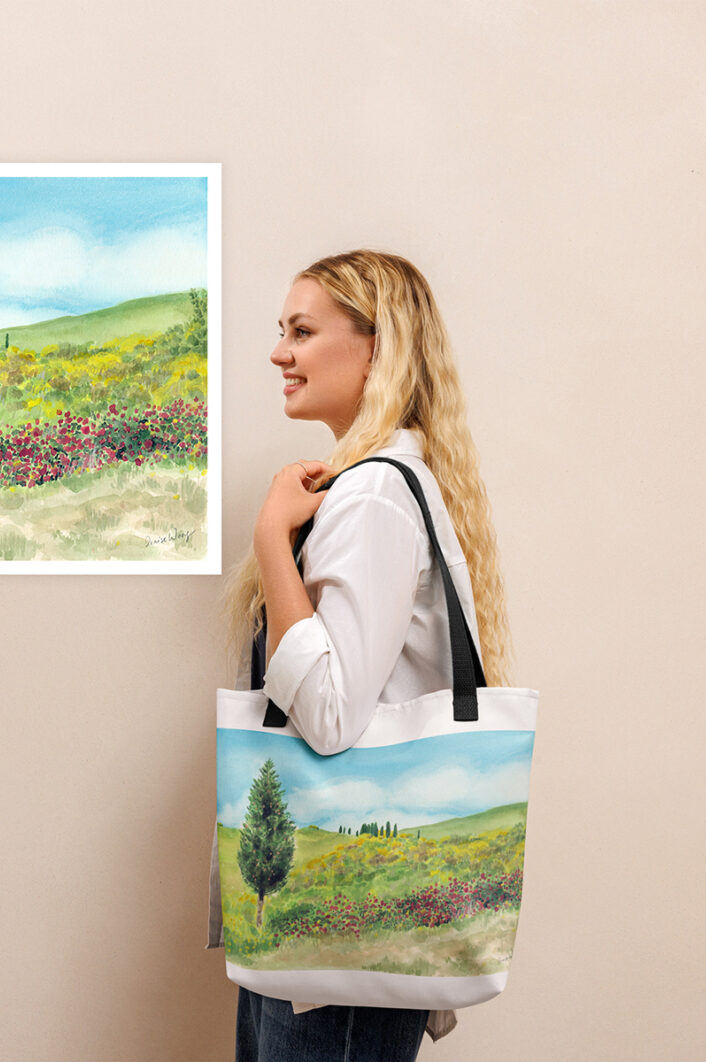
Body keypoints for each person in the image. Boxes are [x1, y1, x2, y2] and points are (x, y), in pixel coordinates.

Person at [208, 250, 516, 1062]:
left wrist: (273, 538)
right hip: (338, 950)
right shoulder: (385, 480)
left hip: (335, 968)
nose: (279, 352)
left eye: (302, 331)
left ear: (377, 347)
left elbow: (331, 719)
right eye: (282, 332)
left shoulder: (374, 492)